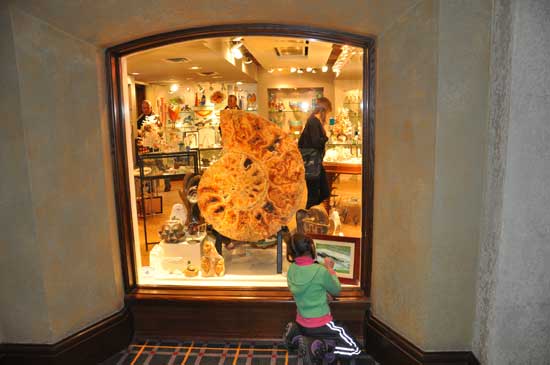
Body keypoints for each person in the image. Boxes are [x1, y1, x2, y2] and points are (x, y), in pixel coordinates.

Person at [283, 233, 362, 364]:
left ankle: (296, 335)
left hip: (302, 321)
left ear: (291, 253)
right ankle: (321, 347)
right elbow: (336, 290)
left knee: (309, 331)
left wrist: (322, 295)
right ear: (312, 248)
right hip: (321, 323)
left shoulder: (291, 270)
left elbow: (307, 289)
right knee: (355, 349)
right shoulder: (320, 271)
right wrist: (330, 269)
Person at [298, 97, 331, 209]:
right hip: (312, 164)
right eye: (327, 112)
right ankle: (308, 219)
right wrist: (326, 138)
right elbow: (316, 142)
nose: (327, 115)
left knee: (324, 191)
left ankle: (313, 216)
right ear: (323, 110)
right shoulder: (313, 122)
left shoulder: (313, 121)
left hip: (315, 163)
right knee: (313, 195)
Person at [135, 99, 171, 191]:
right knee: (149, 167)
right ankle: (151, 187)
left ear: (151, 107)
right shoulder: (139, 119)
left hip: (157, 146)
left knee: (160, 165)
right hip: (146, 146)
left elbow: (161, 131)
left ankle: (167, 183)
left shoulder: (156, 117)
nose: (145, 110)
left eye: (147, 108)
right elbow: (138, 132)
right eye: (143, 108)